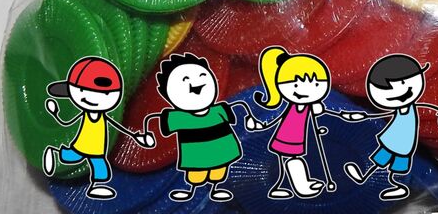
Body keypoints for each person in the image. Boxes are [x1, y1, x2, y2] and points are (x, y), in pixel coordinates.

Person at [146, 52, 261, 202]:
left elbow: (239, 108)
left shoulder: (218, 109)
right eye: (184, 80)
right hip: (197, 154)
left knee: (218, 171)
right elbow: (154, 121)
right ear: (166, 92)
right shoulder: (180, 117)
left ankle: (214, 188)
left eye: (202, 76)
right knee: (196, 174)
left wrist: (251, 120)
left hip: (222, 151)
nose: (196, 84)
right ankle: (191, 190)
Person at [42, 57, 151, 200]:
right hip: (82, 145)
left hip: (98, 148)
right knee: (72, 157)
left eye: (104, 94)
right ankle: (55, 154)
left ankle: (97, 186)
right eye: (82, 91)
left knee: (99, 166)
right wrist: (55, 113)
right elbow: (67, 122)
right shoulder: (86, 114)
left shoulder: (106, 116)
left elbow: (118, 126)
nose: (91, 99)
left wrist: (135, 136)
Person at [342, 53, 438, 201]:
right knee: (381, 160)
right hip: (393, 140)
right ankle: (365, 177)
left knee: (396, 165)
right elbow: (382, 114)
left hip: (404, 144)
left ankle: (396, 185)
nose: (400, 92)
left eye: (404, 84)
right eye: (390, 89)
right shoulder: (396, 107)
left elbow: (429, 108)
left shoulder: (417, 105)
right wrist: (360, 116)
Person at [252, 46, 341, 199]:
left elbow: (313, 118)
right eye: (296, 85)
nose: (305, 90)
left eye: (316, 84)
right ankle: (301, 187)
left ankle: (285, 185)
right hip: (286, 138)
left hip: (296, 138)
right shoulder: (289, 106)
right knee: (291, 161)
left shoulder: (305, 106)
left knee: (285, 163)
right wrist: (260, 125)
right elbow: (276, 118)